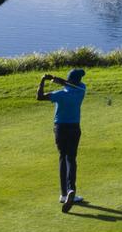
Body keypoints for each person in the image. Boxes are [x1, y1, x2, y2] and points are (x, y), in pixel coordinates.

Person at [36, 68, 88, 211]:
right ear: (78, 81)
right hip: (74, 129)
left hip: (60, 129)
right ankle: (71, 190)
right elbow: (70, 84)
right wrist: (59, 80)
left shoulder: (59, 95)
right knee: (71, 159)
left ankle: (64, 194)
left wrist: (43, 80)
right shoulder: (82, 90)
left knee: (62, 158)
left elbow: (39, 96)